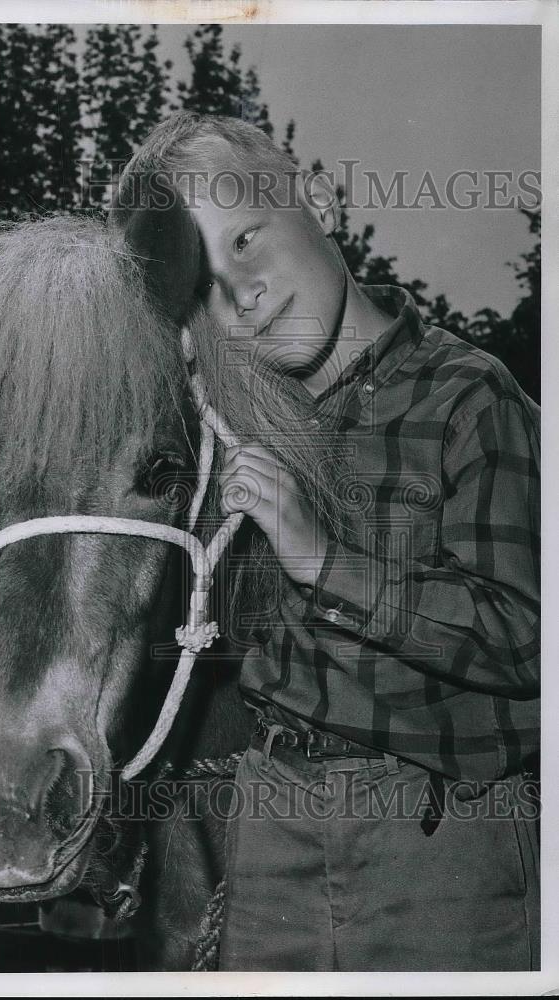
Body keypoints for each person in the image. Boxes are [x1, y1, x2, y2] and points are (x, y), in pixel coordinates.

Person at [115, 111, 540, 972]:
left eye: (246, 241)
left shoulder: (469, 396)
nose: (243, 295)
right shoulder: (229, 427)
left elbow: (524, 637)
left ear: (311, 200)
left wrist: (320, 560)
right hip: (269, 820)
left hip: (442, 835)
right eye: (203, 285)